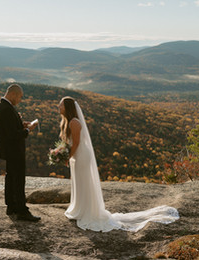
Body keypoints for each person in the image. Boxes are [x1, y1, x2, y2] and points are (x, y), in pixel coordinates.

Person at [58, 96, 179, 232]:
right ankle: (79, 208)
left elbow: (77, 143)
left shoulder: (74, 122)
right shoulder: (68, 121)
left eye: (61, 105)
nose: (58, 107)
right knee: (79, 182)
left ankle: (85, 211)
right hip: (77, 155)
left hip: (80, 155)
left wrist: (67, 156)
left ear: (67, 108)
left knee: (83, 182)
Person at [0, 84, 40, 222]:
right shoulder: (6, 109)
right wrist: (29, 129)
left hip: (10, 150)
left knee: (11, 178)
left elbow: (10, 128)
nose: (20, 100)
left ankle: (11, 206)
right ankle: (21, 211)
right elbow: (12, 135)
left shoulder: (3, 106)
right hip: (14, 150)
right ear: (13, 94)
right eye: (20, 97)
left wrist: (21, 124)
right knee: (18, 179)